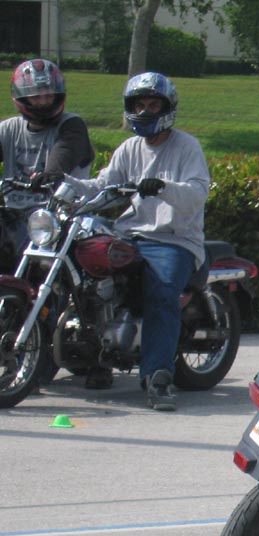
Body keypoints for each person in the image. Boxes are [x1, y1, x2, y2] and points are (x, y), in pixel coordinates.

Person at [64, 72, 210, 411]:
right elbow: (102, 186)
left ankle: (158, 377)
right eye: (139, 105)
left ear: (167, 108)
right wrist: (64, 184)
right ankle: (95, 357)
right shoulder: (129, 148)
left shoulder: (187, 147)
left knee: (161, 293)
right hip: (129, 234)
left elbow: (197, 194)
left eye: (153, 105)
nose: (145, 111)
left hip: (173, 239)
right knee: (85, 278)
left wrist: (162, 187)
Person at [0, 59, 94, 268]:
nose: (43, 102)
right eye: (36, 97)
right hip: (15, 221)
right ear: (22, 97)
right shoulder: (8, 129)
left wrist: (50, 174)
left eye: (48, 95)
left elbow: (64, 153)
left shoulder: (72, 125)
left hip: (58, 222)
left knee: (42, 268)